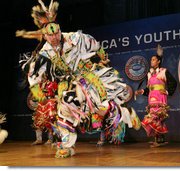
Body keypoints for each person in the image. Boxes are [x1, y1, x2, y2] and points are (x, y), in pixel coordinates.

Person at [17, 0, 139, 158]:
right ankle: (67, 146)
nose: (54, 37)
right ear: (44, 36)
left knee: (98, 107)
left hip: (85, 77)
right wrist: (42, 96)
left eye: (57, 33)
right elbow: (33, 77)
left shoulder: (75, 38)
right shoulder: (44, 54)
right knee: (64, 113)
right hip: (65, 85)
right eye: (50, 35)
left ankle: (124, 113)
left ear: (60, 30)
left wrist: (102, 56)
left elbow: (94, 44)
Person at [135, 45, 177, 147]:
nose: (151, 61)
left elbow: (173, 82)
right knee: (158, 120)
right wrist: (141, 91)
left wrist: (167, 92)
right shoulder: (149, 74)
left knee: (156, 117)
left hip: (160, 97)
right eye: (151, 60)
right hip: (151, 97)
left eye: (153, 60)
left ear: (158, 61)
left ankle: (158, 140)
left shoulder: (163, 71)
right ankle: (160, 139)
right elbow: (149, 88)